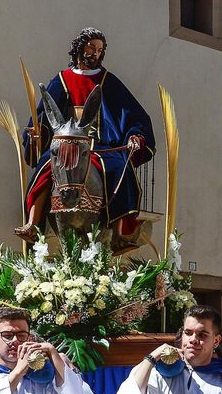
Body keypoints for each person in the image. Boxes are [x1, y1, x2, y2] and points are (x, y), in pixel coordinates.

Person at [19, 27, 155, 250]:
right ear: (80, 48)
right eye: (92, 47)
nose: (95, 53)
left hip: (99, 145)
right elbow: (44, 114)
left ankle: (119, 235)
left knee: (121, 168)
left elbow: (131, 114)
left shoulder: (108, 81)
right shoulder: (62, 79)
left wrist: (135, 136)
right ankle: (33, 224)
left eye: (100, 50)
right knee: (44, 169)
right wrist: (37, 134)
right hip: (65, 141)